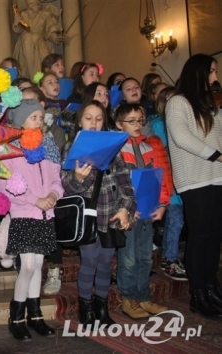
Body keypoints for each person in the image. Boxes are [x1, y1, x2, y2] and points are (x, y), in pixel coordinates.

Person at [61, 100, 136, 328]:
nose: (93, 123)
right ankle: (86, 307)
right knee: (90, 263)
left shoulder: (115, 151)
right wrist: (80, 177)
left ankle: (101, 308)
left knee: (105, 263)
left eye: (99, 118)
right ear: (79, 121)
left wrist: (125, 209)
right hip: (88, 218)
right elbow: (68, 188)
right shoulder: (71, 149)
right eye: (88, 118)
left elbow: (127, 186)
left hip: (111, 215)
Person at [0, 98, 63, 340]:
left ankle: (36, 316)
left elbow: (57, 178)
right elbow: (6, 185)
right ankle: (16, 317)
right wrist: (35, 199)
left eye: (40, 116)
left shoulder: (47, 146)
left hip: (45, 213)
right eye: (33, 117)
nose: (39, 121)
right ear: (19, 121)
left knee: (38, 265)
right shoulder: (10, 149)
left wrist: (54, 194)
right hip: (25, 212)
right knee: (26, 266)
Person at [165, 54, 222, 319]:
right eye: (211, 72)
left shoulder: (211, 105)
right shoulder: (177, 102)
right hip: (194, 180)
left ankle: (212, 288)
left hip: (217, 177)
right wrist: (215, 154)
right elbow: (181, 136)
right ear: (197, 72)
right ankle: (198, 295)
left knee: (214, 237)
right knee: (199, 238)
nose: (215, 77)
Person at [115, 102, 172, 319]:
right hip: (129, 212)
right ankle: (129, 299)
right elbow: (117, 183)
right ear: (120, 124)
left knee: (145, 257)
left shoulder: (149, 147)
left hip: (148, 210)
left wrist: (163, 204)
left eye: (140, 120)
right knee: (128, 257)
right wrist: (126, 208)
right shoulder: (117, 149)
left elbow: (158, 180)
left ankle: (143, 297)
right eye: (132, 121)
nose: (138, 125)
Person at [148, 86, 187, 281]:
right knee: (176, 219)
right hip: (167, 180)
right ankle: (169, 259)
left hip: (185, 178)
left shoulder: (186, 123)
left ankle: (172, 255)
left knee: (180, 222)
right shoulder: (156, 125)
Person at [12, 0, 63, 79]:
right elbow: (19, 30)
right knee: (27, 39)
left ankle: (45, 80)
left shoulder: (45, 14)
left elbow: (49, 30)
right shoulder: (23, 14)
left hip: (40, 39)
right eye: (29, 3)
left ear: (37, 2)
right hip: (27, 39)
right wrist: (16, 23)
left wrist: (55, 38)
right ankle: (32, 79)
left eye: (32, 3)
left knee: (47, 61)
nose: (31, 5)